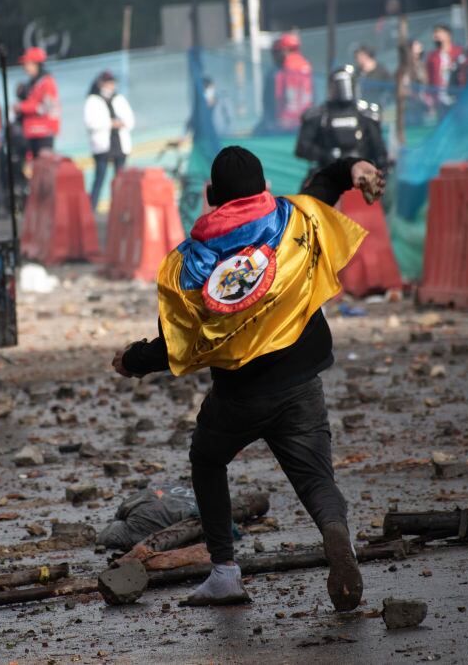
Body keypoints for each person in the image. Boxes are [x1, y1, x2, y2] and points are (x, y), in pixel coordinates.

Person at [113, 145, 384, 609]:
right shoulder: (296, 220)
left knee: (207, 457)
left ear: (211, 195)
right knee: (316, 478)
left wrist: (132, 361)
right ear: (264, 188)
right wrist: (354, 169)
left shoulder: (190, 264)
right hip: (301, 382)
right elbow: (323, 184)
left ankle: (225, 573)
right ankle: (338, 537)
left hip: (238, 396)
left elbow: (178, 344)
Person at [296, 66, 388, 184]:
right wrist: (326, 155)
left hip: (361, 179)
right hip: (327, 175)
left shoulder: (366, 115)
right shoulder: (319, 116)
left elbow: (379, 153)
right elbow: (302, 148)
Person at [84, 71, 135, 211]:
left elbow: (130, 120)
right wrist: (110, 123)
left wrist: (120, 123)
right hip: (102, 146)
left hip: (119, 144)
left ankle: (120, 208)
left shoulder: (119, 99)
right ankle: (91, 209)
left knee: (120, 180)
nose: (111, 86)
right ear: (101, 83)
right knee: (99, 178)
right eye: (108, 82)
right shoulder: (92, 100)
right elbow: (90, 123)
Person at [16, 46, 60, 158]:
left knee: (44, 168)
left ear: (37, 64)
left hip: (43, 133)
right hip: (31, 132)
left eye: (27, 64)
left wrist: (22, 107)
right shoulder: (31, 83)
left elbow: (46, 108)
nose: (25, 67)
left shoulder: (47, 82)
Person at [270, 33, 313, 131]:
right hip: (306, 118)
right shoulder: (307, 66)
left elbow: (279, 97)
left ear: (284, 50)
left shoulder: (283, 70)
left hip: (287, 121)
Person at [426, 24, 463, 112]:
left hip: (458, 97)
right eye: (435, 33)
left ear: (448, 35)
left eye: (439, 32)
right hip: (440, 100)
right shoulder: (432, 57)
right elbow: (429, 78)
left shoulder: (459, 52)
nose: (436, 35)